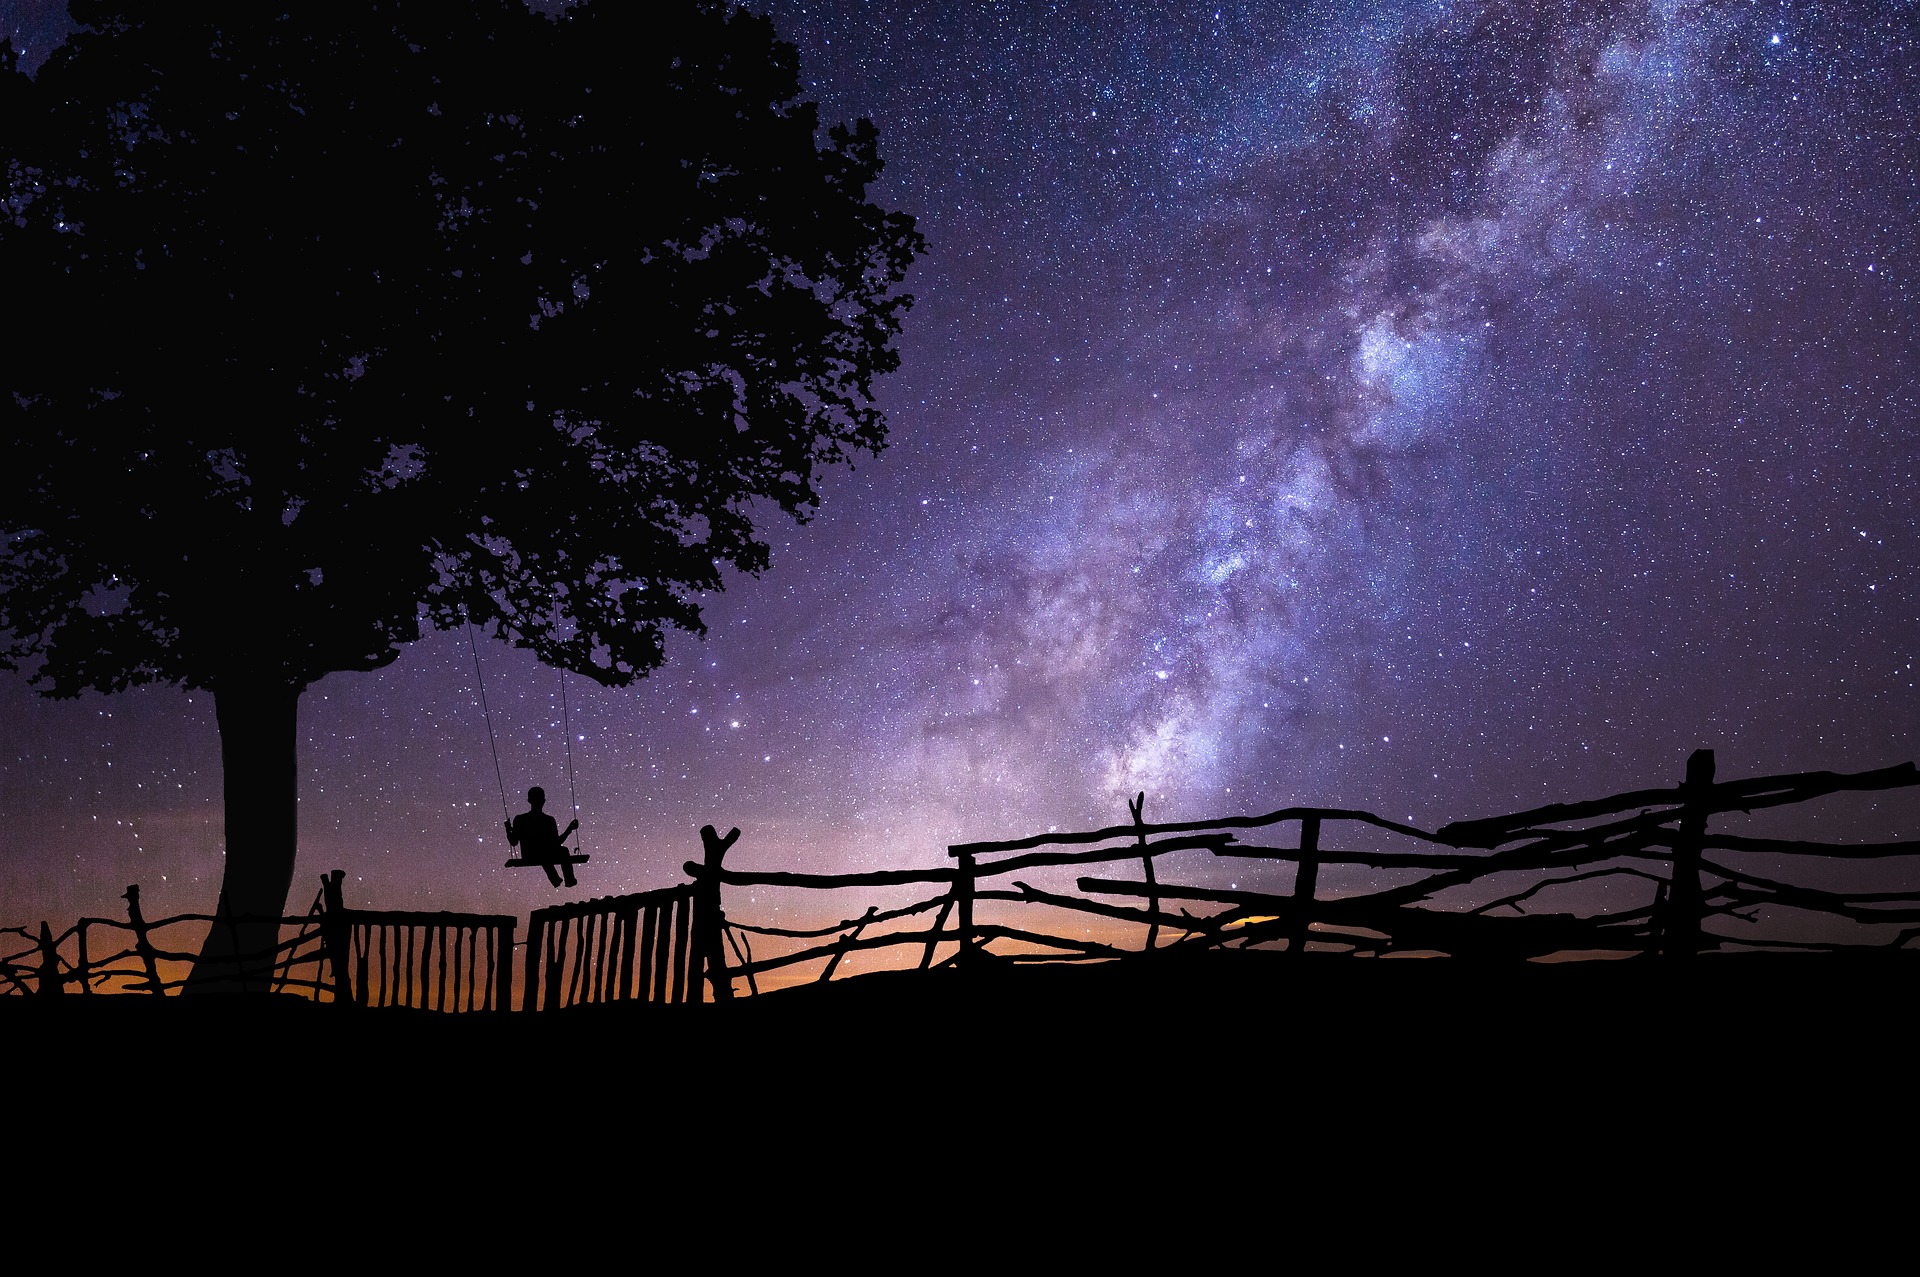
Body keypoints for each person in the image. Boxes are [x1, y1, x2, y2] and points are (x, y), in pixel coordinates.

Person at [506, 786, 580, 889]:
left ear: (529, 800)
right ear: (544, 800)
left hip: (538, 853)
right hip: (534, 854)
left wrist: (569, 829)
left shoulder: (523, 819)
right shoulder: (526, 820)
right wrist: (569, 830)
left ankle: (560, 879)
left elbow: (514, 841)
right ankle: (561, 879)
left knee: (560, 851)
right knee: (557, 851)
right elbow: (556, 843)